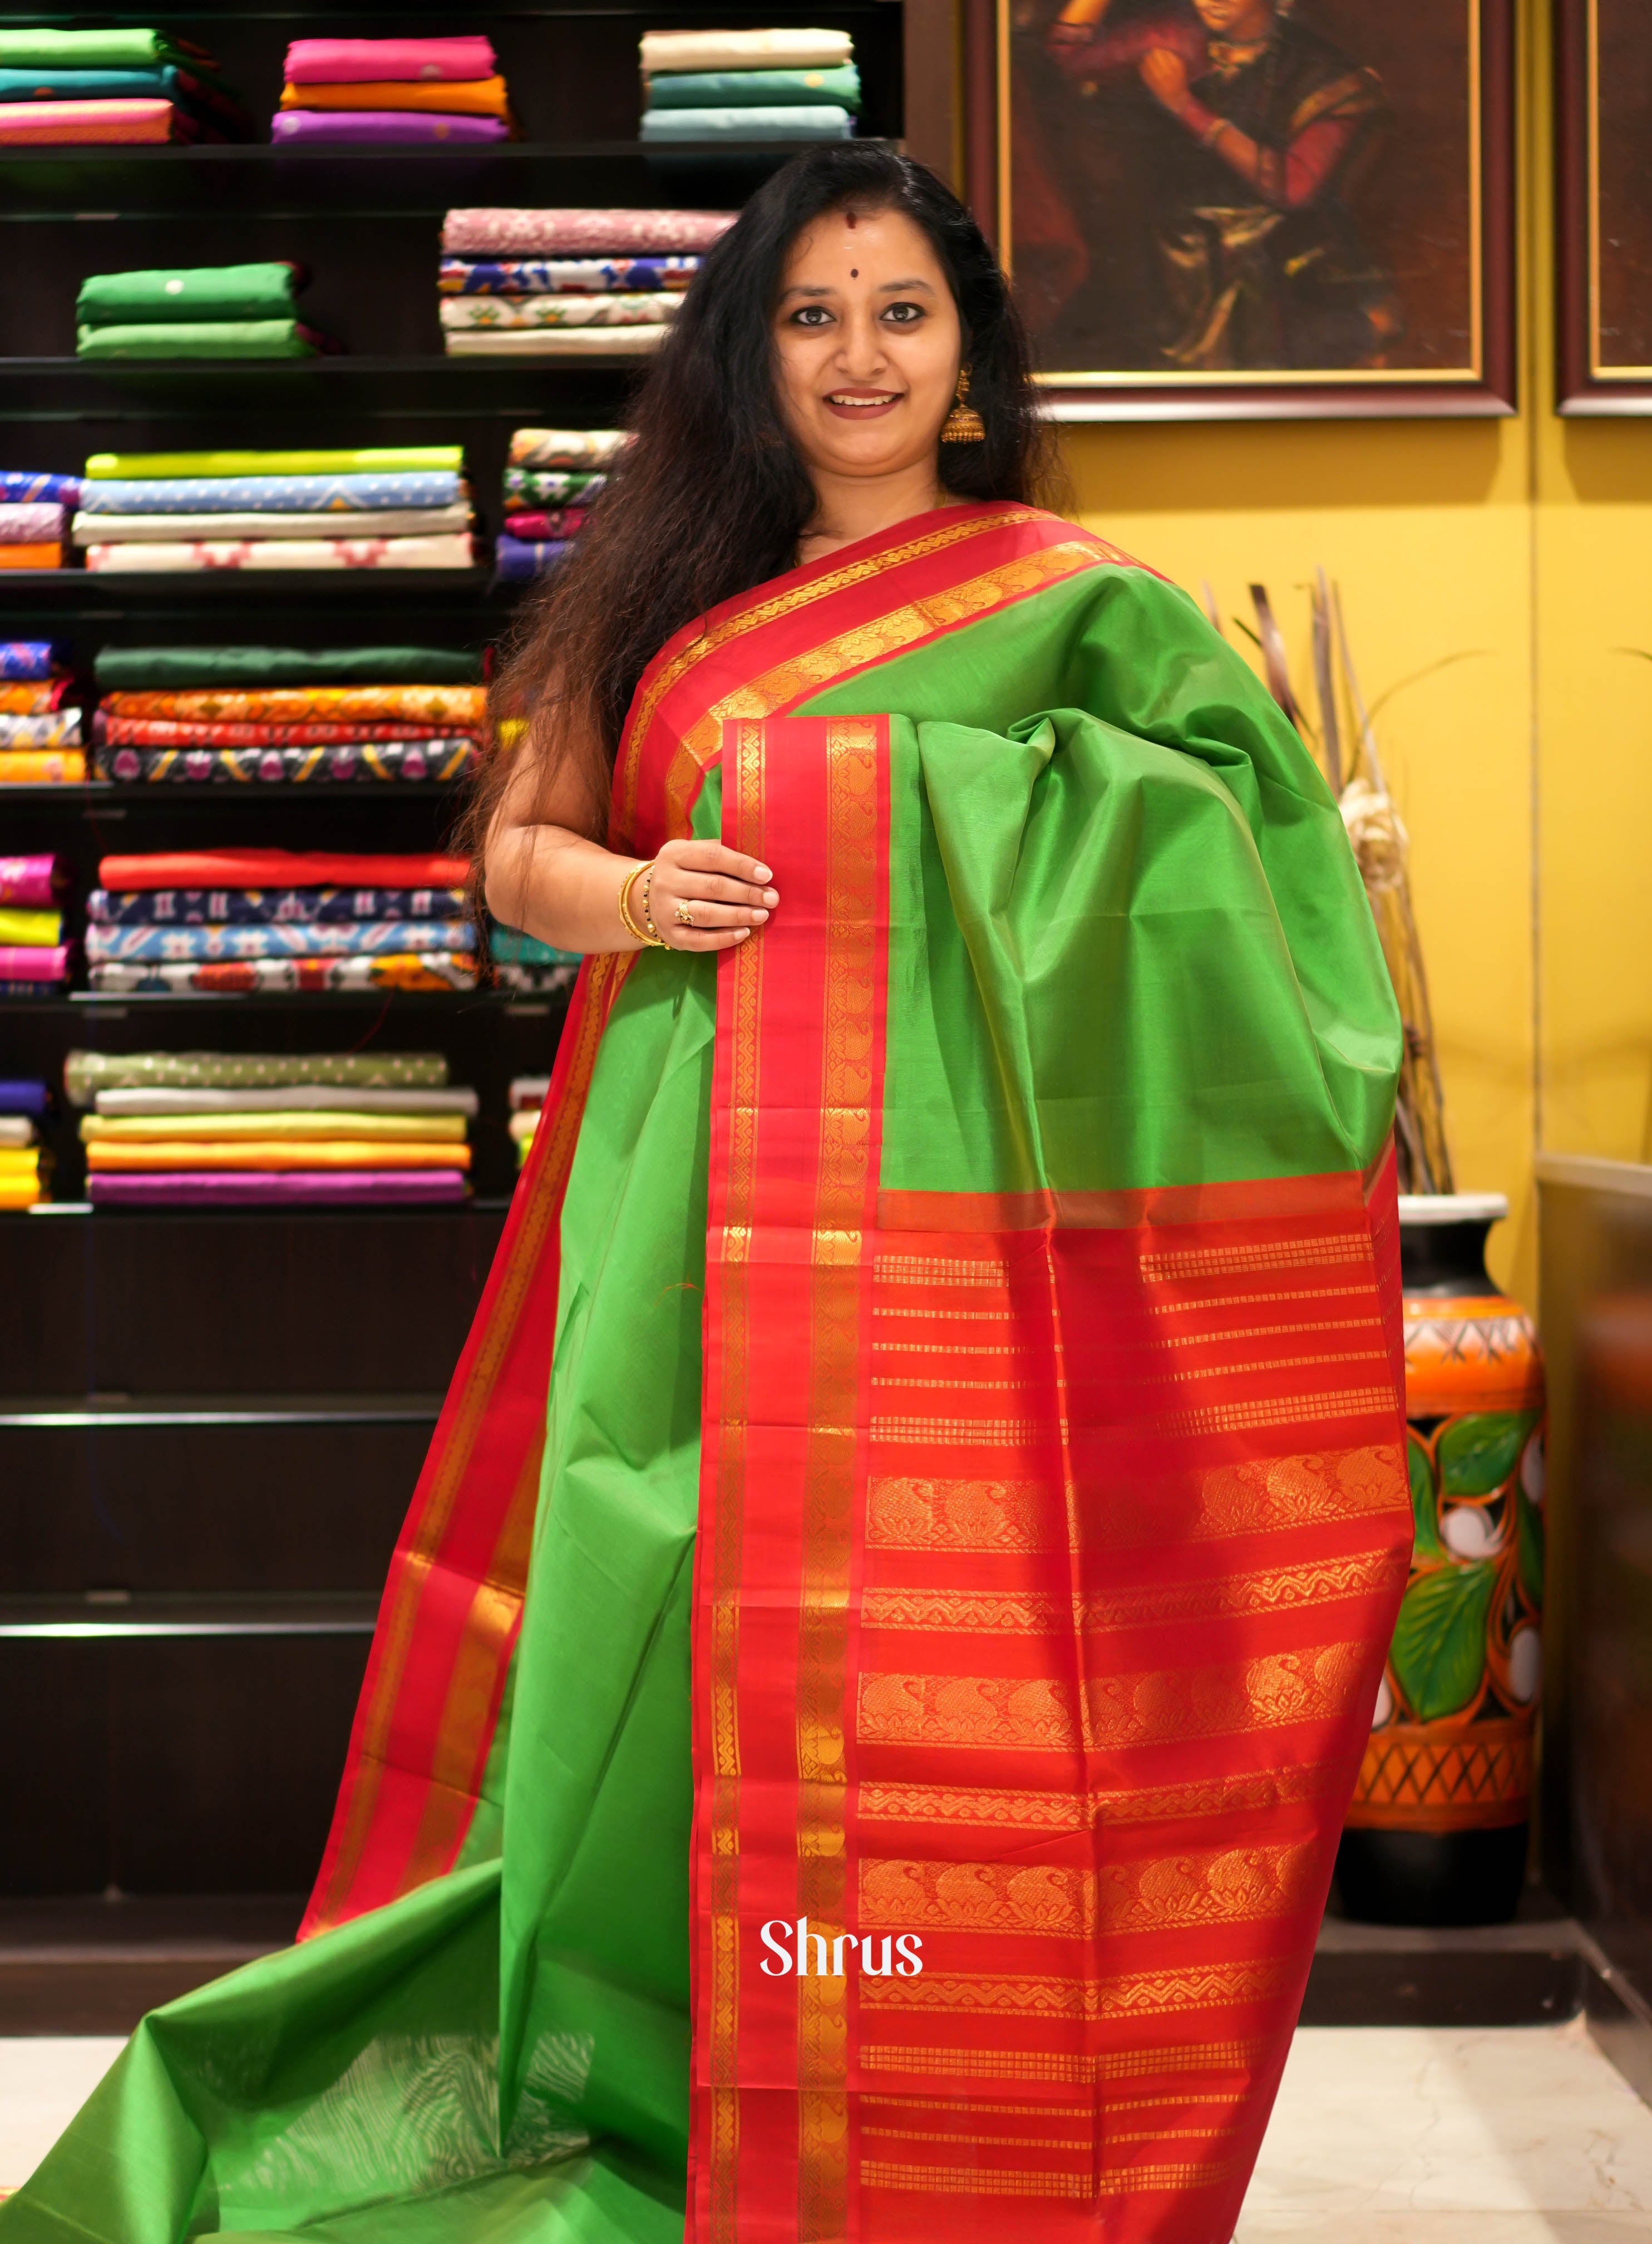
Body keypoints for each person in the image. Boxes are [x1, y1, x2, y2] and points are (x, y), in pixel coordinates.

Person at [2, 144, 1412, 2243]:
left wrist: (971, 815)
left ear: (967, 353)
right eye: (808, 314)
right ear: (750, 354)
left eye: (900, 311)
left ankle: (946, 2088)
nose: (857, 355)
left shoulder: (1074, 602)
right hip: (689, 1211)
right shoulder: (658, 575)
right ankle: (650, 2064)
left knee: (960, 1671)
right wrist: (644, 888)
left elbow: (1257, 869)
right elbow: (516, 860)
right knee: (651, 1626)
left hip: (965, 1260)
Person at [1041, 0, 1396, 369]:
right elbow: (1066, 56)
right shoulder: (1173, 37)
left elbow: (1294, 186)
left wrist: (1184, 106)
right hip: (1176, 264)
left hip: (1284, 269)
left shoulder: (1325, 73)